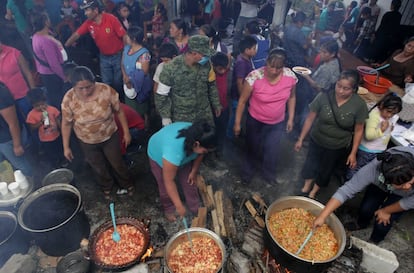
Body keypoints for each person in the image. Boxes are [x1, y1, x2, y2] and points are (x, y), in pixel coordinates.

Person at [61, 66, 134, 199]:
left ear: (94, 82)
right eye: (80, 88)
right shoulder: (68, 99)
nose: (85, 91)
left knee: (117, 162)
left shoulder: (105, 91)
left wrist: (126, 132)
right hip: (86, 140)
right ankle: (107, 186)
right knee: (97, 166)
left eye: (88, 87)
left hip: (109, 135)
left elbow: (119, 111)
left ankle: (126, 184)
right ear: (73, 87)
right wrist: (66, 147)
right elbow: (66, 123)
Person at [314, 146, 414, 244]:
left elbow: (410, 202)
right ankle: (361, 223)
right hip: (380, 185)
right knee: (366, 208)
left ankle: (375, 240)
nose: (407, 187)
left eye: (410, 181)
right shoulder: (374, 169)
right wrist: (323, 216)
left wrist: (386, 211)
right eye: (401, 184)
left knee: (383, 222)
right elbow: (346, 190)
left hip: (404, 197)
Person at [295, 70, 369, 199]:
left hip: (337, 145)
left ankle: (314, 192)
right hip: (317, 138)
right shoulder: (324, 96)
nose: (340, 91)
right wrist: (301, 138)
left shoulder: (359, 105)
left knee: (326, 168)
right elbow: (310, 118)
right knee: (311, 163)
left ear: (354, 89)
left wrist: (353, 153)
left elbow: (358, 130)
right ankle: (306, 186)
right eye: (338, 86)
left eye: (346, 88)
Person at [234, 48, 297, 184]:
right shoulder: (254, 77)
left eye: (278, 68)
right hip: (255, 120)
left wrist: (290, 118)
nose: (274, 71)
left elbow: (292, 97)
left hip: (277, 122)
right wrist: (237, 123)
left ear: (284, 66)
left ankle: (269, 175)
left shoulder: (290, 77)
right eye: (271, 66)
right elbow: (242, 101)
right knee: (252, 147)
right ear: (266, 62)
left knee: (272, 149)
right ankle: (247, 174)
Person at [147, 120, 217, 221]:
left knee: (190, 181)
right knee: (164, 186)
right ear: (196, 144)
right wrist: (179, 206)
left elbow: (201, 154)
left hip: (182, 152)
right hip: (158, 154)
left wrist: (193, 171)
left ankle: (195, 208)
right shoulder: (173, 152)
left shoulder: (200, 136)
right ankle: (169, 209)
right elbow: (169, 181)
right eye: (205, 150)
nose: (205, 152)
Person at [64, 0, 127, 101]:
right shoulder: (88, 23)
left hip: (118, 56)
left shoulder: (111, 19)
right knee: (106, 83)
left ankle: (120, 102)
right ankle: (109, 103)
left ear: (96, 10)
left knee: (118, 82)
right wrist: (65, 45)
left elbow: (124, 36)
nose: (85, 13)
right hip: (104, 57)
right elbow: (77, 34)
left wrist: (128, 53)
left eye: (87, 10)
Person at [155, 35, 222, 127]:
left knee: (207, 138)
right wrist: (165, 117)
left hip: (204, 114)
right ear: (194, 54)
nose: (207, 57)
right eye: (204, 55)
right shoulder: (171, 68)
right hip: (182, 116)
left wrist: (216, 104)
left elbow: (211, 85)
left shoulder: (206, 65)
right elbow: (161, 95)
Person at [347, 93, 402, 180]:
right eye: (388, 111)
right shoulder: (374, 116)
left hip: (378, 149)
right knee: (357, 167)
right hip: (367, 150)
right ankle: (348, 182)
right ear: (382, 105)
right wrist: (381, 130)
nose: (389, 115)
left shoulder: (393, 117)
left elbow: (392, 126)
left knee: (366, 169)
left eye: (393, 113)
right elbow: (369, 135)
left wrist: (390, 127)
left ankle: (358, 183)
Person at [296, 40, 341, 127]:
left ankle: (302, 132)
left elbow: (318, 87)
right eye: (321, 51)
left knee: (307, 115)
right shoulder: (334, 61)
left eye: (324, 52)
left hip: (317, 96)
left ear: (332, 54)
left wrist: (306, 76)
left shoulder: (328, 68)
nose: (321, 54)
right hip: (325, 95)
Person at [31, 11, 67, 110]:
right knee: (59, 100)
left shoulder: (35, 36)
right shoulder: (45, 41)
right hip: (53, 74)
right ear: (46, 22)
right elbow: (54, 63)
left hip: (45, 73)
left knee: (53, 97)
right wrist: (64, 77)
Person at [26, 88, 65, 168]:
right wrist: (41, 122)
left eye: (43, 104)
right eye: (37, 106)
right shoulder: (32, 115)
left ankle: (63, 160)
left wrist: (61, 130)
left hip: (57, 135)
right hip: (45, 139)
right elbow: (32, 128)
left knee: (60, 149)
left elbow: (58, 119)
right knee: (50, 153)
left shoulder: (52, 109)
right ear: (32, 105)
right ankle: (55, 164)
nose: (41, 107)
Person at [121, 26, 152, 127]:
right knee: (131, 104)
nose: (125, 38)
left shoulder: (144, 53)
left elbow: (144, 71)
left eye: (127, 36)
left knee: (142, 106)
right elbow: (122, 64)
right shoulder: (126, 49)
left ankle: (145, 125)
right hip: (127, 82)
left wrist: (130, 80)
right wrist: (125, 76)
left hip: (140, 84)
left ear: (133, 39)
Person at [0, 82, 32, 177]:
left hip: (8, 139)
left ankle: (34, 184)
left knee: (22, 166)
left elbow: (13, 122)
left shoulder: (1, 93)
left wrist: (17, 145)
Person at [227, 36, 257, 138]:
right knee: (236, 115)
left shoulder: (247, 59)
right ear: (247, 50)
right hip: (238, 96)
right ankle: (230, 135)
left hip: (241, 95)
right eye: (254, 48)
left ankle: (234, 131)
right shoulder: (241, 63)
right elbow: (240, 82)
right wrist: (242, 98)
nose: (255, 50)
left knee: (237, 114)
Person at [0, 39, 36, 120]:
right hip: (5, 101)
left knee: (31, 120)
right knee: (15, 125)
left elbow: (28, 73)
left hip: (22, 96)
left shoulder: (14, 53)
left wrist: (34, 93)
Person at [211, 52, 230, 155]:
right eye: (220, 69)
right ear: (213, 66)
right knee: (212, 132)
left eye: (224, 68)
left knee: (222, 131)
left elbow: (229, 56)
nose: (222, 71)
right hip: (212, 109)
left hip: (225, 108)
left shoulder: (227, 72)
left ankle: (219, 152)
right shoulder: (210, 76)